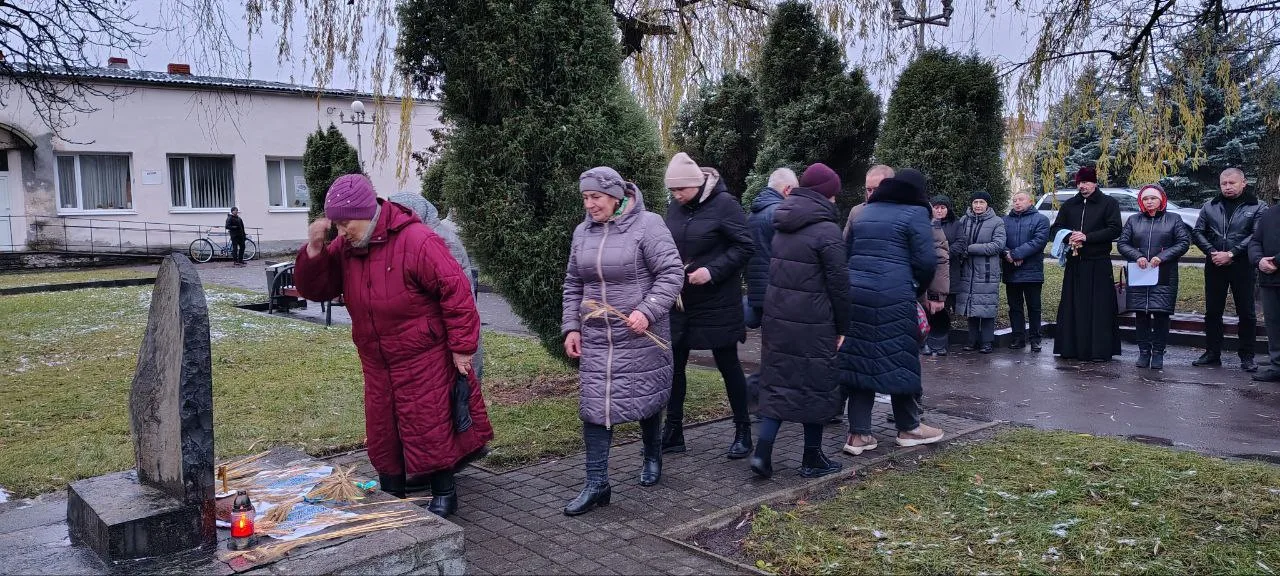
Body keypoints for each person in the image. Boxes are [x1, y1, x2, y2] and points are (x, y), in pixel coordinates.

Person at [293, 174, 492, 518]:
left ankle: (444, 492)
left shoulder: (417, 240)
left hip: (422, 353)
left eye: (345, 224)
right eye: (336, 225)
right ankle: (391, 491)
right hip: (377, 357)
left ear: (365, 213)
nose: (341, 232)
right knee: (383, 429)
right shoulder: (347, 247)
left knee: (429, 423)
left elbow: (456, 291)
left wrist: (462, 346)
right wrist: (314, 251)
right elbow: (318, 289)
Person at [561, 167, 684, 516]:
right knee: (595, 407)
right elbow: (573, 283)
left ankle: (652, 455)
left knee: (646, 397)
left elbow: (672, 273)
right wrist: (571, 327)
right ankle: (597, 484)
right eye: (585, 197)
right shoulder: (582, 232)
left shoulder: (648, 225)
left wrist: (647, 310)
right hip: (597, 337)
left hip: (638, 332)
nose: (589, 204)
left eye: (596, 197)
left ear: (616, 197)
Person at [752, 163, 853, 479]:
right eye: (833, 194)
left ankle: (762, 454)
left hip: (779, 318)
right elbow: (839, 285)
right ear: (825, 195)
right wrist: (843, 327)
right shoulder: (827, 230)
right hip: (815, 322)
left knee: (778, 385)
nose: (835, 200)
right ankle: (812, 458)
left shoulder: (782, 222)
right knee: (815, 386)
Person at [840, 168, 943, 455]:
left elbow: (846, 253)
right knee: (901, 360)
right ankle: (909, 427)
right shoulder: (915, 213)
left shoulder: (864, 213)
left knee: (860, 360)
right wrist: (913, 286)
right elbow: (926, 262)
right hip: (894, 297)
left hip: (857, 296)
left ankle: (858, 435)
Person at [663, 152, 754, 458]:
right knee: (675, 366)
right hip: (681, 301)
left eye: (681, 189)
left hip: (718, 302)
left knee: (728, 364)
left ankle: (743, 431)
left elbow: (746, 246)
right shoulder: (675, 207)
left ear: (697, 183)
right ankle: (673, 431)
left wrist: (712, 271)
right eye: (672, 190)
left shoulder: (725, 204)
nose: (677, 195)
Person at [387, 192, 485, 384]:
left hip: (452, 332)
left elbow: (457, 299)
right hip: (437, 333)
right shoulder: (419, 238)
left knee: (458, 388)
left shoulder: (440, 240)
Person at [1191, 168, 1265, 372]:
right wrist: (1213, 252)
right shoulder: (1210, 206)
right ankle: (1212, 353)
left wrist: (1231, 253)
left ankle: (1247, 356)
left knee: (1246, 312)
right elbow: (1198, 232)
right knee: (1213, 311)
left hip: (1243, 264)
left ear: (1244, 183)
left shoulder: (1257, 206)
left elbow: (1256, 235)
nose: (1227, 187)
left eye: (1232, 183)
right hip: (1215, 263)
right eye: (1224, 183)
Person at [1051, 166, 1123, 362]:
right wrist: (1068, 236)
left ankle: (1099, 351)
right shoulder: (1070, 205)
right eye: (1079, 183)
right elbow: (1056, 228)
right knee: (1073, 306)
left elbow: (1115, 229)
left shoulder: (1108, 203)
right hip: (1075, 264)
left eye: (1086, 182)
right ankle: (1071, 348)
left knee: (1099, 308)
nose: (1082, 186)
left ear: (1095, 183)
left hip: (1098, 263)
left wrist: (1087, 237)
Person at [1117, 184, 1191, 370]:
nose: (1149, 202)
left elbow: (1183, 242)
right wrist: (1137, 256)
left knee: (1161, 314)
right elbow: (1123, 244)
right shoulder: (1134, 220)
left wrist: (1162, 257)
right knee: (1141, 314)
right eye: (1145, 199)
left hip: (1164, 274)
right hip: (1140, 273)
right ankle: (1144, 352)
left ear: (1161, 200)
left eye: (1153, 198)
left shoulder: (1173, 219)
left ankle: (1158, 352)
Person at [951, 191, 1006, 354]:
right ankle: (971, 340)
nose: (978, 205)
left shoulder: (997, 222)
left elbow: (998, 245)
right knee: (971, 307)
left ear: (987, 204)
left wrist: (971, 249)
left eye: (981, 202)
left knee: (987, 307)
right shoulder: (964, 220)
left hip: (987, 272)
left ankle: (987, 342)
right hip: (967, 270)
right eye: (975, 202)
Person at [746, 168, 799, 328]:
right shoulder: (780, 213)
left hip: (758, 291)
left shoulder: (753, 214)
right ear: (787, 190)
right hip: (779, 292)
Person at [1002, 192, 1051, 352]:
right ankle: (1018, 338)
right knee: (1014, 307)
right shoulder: (1004, 221)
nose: (1017, 202)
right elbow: (1000, 241)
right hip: (1011, 270)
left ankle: (1035, 339)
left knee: (1034, 307)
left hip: (1032, 271)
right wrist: (1007, 254)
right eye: (1014, 200)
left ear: (1030, 201)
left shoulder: (1041, 219)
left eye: (1021, 199)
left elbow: (1039, 241)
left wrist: (1016, 254)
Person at [1248, 192, 1280, 383]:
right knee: (1274, 325)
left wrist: (1276, 261)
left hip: (1274, 270)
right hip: (1269, 281)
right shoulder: (1270, 214)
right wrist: (1258, 260)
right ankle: (1277, 365)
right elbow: (1255, 241)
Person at [924, 196, 962, 356]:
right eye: (936, 207)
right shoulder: (926, 223)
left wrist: (944, 254)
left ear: (948, 209)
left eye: (943, 207)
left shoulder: (956, 224)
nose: (939, 210)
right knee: (927, 310)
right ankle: (926, 342)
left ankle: (942, 344)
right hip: (929, 273)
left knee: (944, 311)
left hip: (950, 274)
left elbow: (961, 243)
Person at [843, 164, 895, 239]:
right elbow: (846, 242)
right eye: (869, 190)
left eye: (877, 189)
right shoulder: (857, 212)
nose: (872, 194)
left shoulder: (905, 213)